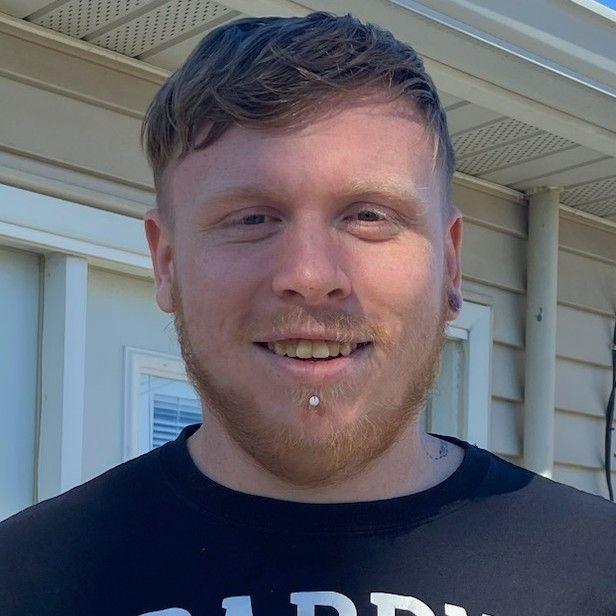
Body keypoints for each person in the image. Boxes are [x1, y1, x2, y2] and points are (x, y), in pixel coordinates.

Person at [0, 11, 614, 616]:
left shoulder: (598, 573)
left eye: (368, 216)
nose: (311, 276)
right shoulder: (27, 581)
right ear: (167, 264)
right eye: (252, 218)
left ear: (450, 265)